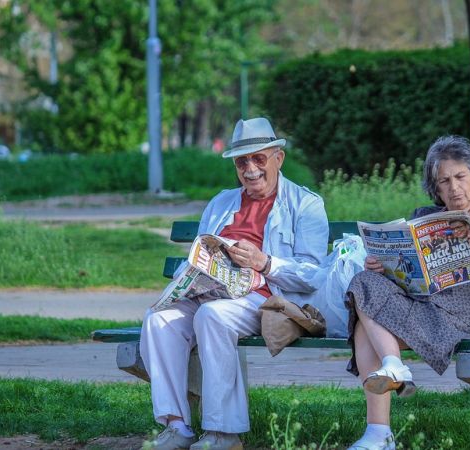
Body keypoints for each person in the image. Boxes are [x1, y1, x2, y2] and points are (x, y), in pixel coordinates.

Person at [140, 117, 329, 450]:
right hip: (211, 294)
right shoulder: (221, 202)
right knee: (159, 320)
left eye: (259, 158)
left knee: (212, 317)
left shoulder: (305, 204)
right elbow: (201, 251)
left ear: (278, 159)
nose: (250, 168)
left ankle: (223, 434)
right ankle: (176, 426)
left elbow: (313, 274)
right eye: (242, 161)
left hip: (266, 298)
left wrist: (264, 262)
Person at [344, 135, 470, 450]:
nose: (454, 187)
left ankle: (378, 431)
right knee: (363, 282)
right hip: (418, 306)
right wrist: (382, 265)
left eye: (460, 177)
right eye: (444, 180)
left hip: (460, 319)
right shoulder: (423, 215)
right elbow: (403, 274)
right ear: (436, 187)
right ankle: (392, 370)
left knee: (365, 327)